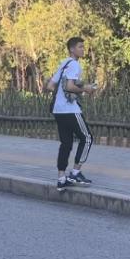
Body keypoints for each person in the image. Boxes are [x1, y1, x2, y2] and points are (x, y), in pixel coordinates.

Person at [47, 36, 97, 192]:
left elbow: (50, 86)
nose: (83, 49)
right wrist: (85, 89)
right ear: (72, 49)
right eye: (80, 47)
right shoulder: (74, 64)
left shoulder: (64, 63)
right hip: (70, 110)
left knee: (66, 144)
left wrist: (68, 91)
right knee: (87, 138)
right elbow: (69, 86)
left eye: (83, 47)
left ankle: (61, 179)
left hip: (58, 110)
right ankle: (75, 173)